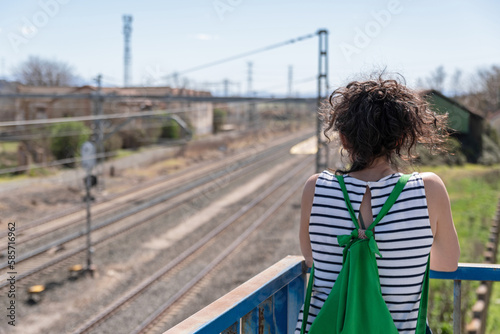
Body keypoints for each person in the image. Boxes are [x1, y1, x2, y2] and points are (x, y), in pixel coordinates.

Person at [295, 77, 460, 334]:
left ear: (344, 139)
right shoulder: (429, 189)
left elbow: (310, 258)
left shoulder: (315, 188)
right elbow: (447, 264)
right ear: (402, 138)